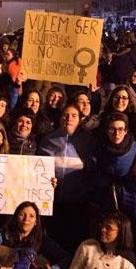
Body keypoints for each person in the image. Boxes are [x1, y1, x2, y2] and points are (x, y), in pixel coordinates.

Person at [38, 105, 97, 250]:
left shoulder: (87, 142)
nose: (69, 118)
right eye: (65, 115)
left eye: (74, 115)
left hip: (78, 205)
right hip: (53, 203)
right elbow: (38, 169)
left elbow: (92, 171)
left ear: (80, 120)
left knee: (73, 246)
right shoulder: (47, 140)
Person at [94, 112, 136, 191]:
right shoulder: (99, 147)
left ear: (126, 131)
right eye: (112, 129)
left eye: (120, 129)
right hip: (102, 191)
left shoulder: (135, 149)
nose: (116, 134)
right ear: (107, 131)